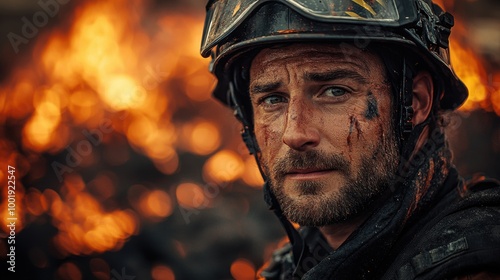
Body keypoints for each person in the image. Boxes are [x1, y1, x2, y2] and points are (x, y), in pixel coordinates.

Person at [200, 0, 500, 279]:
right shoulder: (294, 265)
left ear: (416, 102)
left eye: (335, 92)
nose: (295, 134)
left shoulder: (478, 262)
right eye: (272, 99)